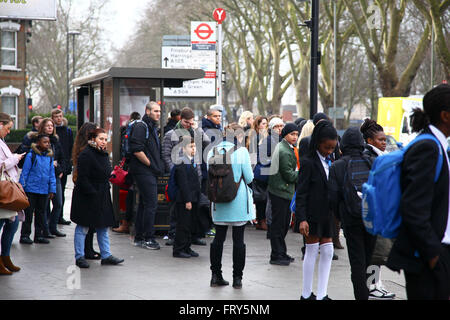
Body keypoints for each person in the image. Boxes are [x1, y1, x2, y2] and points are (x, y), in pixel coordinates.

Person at [386, 84, 450, 300]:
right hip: (428, 256)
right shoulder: (428, 147)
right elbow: (413, 208)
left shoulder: (436, 145)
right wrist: (433, 256)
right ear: (445, 116)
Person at [329, 127, 376, 300]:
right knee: (371, 259)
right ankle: (371, 290)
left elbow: (333, 198)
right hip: (373, 219)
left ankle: (361, 296)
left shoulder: (337, 166)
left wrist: (341, 216)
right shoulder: (372, 162)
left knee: (357, 262)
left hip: (351, 219)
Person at [207, 123, 255, 289]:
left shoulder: (212, 151)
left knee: (218, 239)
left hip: (218, 201)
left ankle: (215, 275)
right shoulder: (241, 152)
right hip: (238, 201)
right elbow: (249, 178)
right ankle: (237, 278)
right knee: (238, 240)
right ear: (239, 136)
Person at [70, 128, 124, 268]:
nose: (103, 142)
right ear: (93, 139)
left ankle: (106, 255)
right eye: (101, 139)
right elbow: (82, 178)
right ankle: (79, 256)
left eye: (105, 139)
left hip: (102, 194)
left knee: (103, 227)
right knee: (83, 227)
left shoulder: (103, 154)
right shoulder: (86, 155)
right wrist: (92, 193)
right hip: (87, 195)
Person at [296, 120, 338, 300]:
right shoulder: (308, 163)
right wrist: (302, 218)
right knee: (311, 251)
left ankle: (322, 294)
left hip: (328, 213)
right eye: (327, 147)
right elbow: (301, 192)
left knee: (328, 251)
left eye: (332, 148)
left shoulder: (332, 161)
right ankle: (306, 294)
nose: (329, 151)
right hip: (312, 213)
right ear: (318, 143)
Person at [162, 107, 210, 246]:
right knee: (177, 207)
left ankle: (193, 236)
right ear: (180, 119)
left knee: (195, 207)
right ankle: (173, 234)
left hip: (195, 175)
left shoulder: (195, 132)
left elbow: (207, 143)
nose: (188, 125)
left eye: (191, 122)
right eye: (186, 122)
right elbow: (165, 154)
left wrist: (198, 128)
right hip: (179, 176)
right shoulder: (171, 134)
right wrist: (175, 170)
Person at [360, 118, 395, 300]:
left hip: (381, 209)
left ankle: (376, 283)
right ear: (369, 140)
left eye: (385, 140)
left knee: (378, 252)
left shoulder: (378, 156)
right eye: (381, 140)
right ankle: (373, 285)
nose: (384, 143)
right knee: (375, 252)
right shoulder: (370, 157)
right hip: (376, 210)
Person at [129, 101, 164, 250]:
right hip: (144, 171)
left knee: (144, 204)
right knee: (151, 204)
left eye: (159, 111)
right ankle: (148, 238)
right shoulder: (141, 126)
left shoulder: (151, 127)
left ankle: (140, 237)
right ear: (147, 111)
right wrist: (151, 165)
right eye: (155, 111)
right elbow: (136, 150)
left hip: (148, 171)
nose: (158, 114)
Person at [267, 123, 299, 266]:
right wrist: (303, 173)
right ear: (285, 135)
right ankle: (276, 254)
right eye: (292, 134)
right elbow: (290, 176)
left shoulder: (285, 147)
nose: (295, 137)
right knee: (279, 225)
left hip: (281, 191)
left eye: (296, 134)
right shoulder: (284, 151)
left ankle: (281, 252)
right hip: (281, 191)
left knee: (282, 224)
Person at [72, 122, 102, 260]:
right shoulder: (86, 151)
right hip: (87, 189)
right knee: (85, 224)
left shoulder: (81, 148)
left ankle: (88, 249)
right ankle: (84, 252)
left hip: (88, 188)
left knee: (89, 224)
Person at [19, 134, 56, 245]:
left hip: (43, 190)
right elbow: (25, 172)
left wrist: (52, 189)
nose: (47, 144)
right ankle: (25, 235)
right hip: (31, 189)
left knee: (41, 213)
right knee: (29, 213)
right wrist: (22, 187)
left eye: (48, 142)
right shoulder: (31, 155)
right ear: (38, 143)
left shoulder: (49, 157)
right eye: (45, 142)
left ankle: (38, 235)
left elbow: (51, 174)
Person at [0, 113, 25, 275]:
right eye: (8, 128)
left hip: (8, 188)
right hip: (3, 190)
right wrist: (15, 159)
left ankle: (5, 257)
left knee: (13, 223)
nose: (9, 132)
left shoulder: (2, 141)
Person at [172, 137, 202, 258]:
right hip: (184, 199)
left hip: (193, 197)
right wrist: (188, 200)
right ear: (183, 149)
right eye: (191, 147)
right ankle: (178, 249)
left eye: (194, 146)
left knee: (190, 224)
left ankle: (187, 247)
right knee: (183, 225)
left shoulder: (191, 161)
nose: (194, 149)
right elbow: (183, 184)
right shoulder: (182, 162)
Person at [114, 111, 141, 234]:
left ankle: (126, 222)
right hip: (133, 168)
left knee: (129, 194)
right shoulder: (135, 130)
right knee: (131, 195)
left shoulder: (126, 130)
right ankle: (126, 222)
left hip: (129, 167)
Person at [262, 117, 284, 239]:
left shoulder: (281, 140)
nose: (280, 128)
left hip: (279, 175)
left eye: (281, 126)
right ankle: (270, 227)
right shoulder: (269, 140)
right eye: (277, 126)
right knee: (271, 202)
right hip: (272, 174)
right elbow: (264, 159)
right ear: (271, 128)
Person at [51, 108, 74, 226]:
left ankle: (59, 216)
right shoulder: (51, 131)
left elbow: (70, 147)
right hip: (54, 164)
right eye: (56, 116)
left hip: (64, 163)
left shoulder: (68, 130)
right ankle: (52, 217)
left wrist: (67, 163)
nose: (59, 118)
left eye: (60, 116)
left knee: (62, 190)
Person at [247, 116, 268, 230]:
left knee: (262, 197)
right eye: (263, 123)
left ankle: (261, 220)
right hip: (257, 168)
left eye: (266, 123)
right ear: (258, 125)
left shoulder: (266, 137)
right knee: (260, 197)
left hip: (263, 168)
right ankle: (261, 220)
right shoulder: (254, 137)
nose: (265, 126)